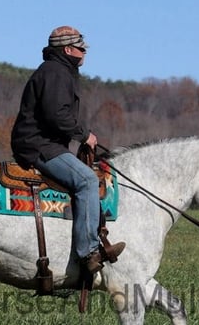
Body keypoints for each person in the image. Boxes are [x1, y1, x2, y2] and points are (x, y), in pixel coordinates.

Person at [10, 25, 125, 274]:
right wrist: (84, 135)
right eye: (82, 48)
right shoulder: (56, 73)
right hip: (38, 145)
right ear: (69, 49)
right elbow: (56, 115)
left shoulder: (59, 71)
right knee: (86, 180)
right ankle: (88, 253)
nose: (85, 53)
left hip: (44, 143)